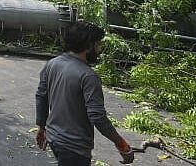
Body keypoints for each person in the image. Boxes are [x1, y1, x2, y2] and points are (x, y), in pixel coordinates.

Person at [35, 22, 136, 165]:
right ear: (88, 45)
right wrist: (122, 144)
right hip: (74, 147)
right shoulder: (88, 76)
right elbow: (98, 117)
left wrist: (41, 126)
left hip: (54, 138)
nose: (99, 49)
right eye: (98, 45)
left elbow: (41, 96)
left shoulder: (52, 64)